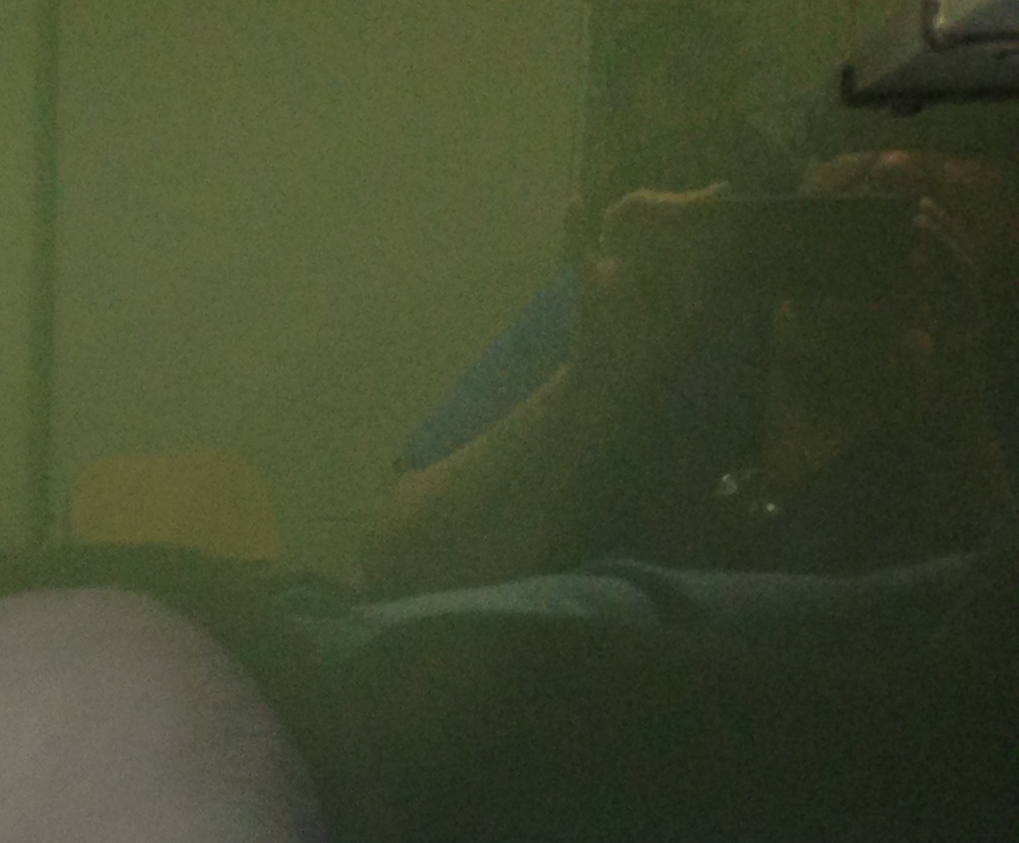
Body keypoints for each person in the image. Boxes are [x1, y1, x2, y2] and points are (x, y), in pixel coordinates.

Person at [363, 149, 1019, 595]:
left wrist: (952, 408)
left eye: (953, 141)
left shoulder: (988, 385)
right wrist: (599, 381)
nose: (897, 162)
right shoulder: (636, 305)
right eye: (863, 134)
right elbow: (401, 567)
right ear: (809, 172)